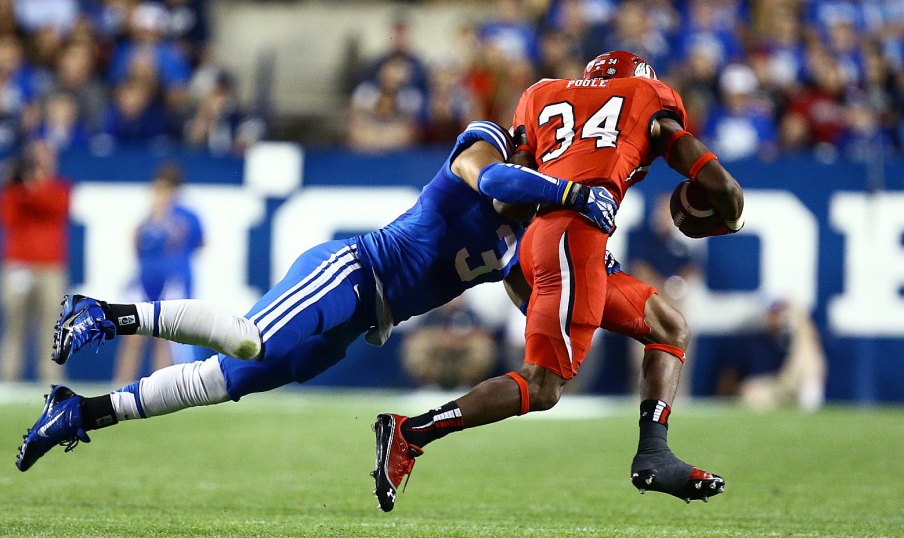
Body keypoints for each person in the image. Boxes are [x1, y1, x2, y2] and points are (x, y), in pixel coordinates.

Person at [15, 120, 618, 474]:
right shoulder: (489, 145)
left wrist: (581, 278)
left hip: (363, 323)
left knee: (227, 381)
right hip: (352, 271)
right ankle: (103, 313)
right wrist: (569, 194)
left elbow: (532, 295)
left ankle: (81, 411)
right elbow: (493, 179)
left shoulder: (530, 230)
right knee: (252, 338)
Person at [374, 51, 745, 511]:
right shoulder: (648, 97)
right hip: (576, 238)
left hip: (540, 240)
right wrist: (727, 221)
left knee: (669, 326)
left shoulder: (541, 95)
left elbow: (511, 204)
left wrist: (524, 266)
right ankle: (410, 433)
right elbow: (726, 189)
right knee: (543, 386)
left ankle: (654, 453)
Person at [114, 163, 204, 383]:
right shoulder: (147, 217)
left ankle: (159, 386)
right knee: (132, 334)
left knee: (164, 336)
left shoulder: (184, 217)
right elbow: (137, 245)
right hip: (146, 278)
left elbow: (191, 242)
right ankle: (121, 383)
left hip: (170, 279)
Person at [0, 140, 71, 383]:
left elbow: (55, 207)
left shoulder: (60, 187)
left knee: (52, 329)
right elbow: (8, 217)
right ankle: (8, 380)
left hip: (50, 267)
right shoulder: (13, 191)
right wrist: (19, 185)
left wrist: (30, 189)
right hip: (19, 265)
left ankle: (51, 380)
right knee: (14, 326)